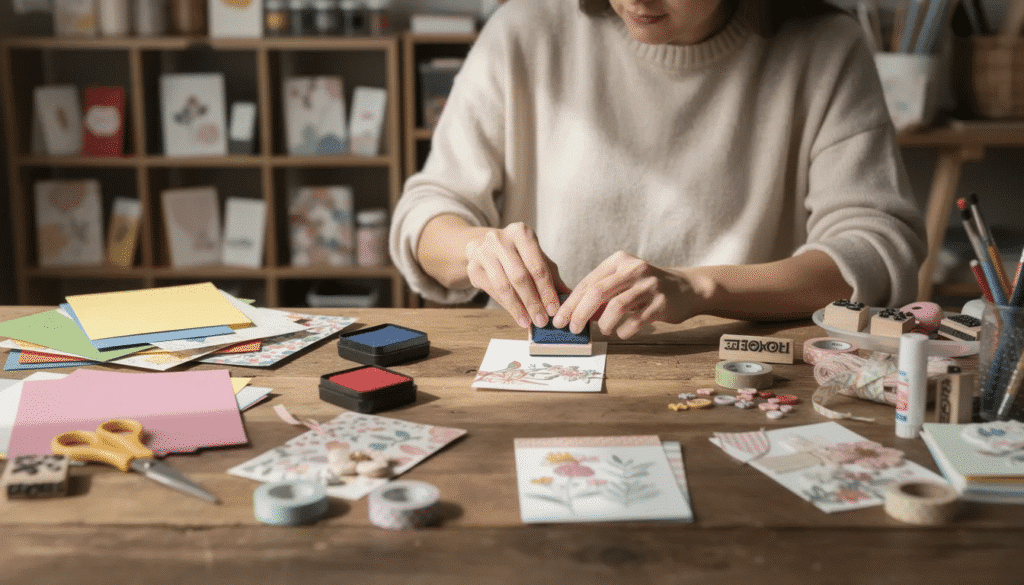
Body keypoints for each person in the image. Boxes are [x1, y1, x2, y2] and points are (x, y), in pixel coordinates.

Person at [389, 0, 927, 340]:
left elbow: (875, 249)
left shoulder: (827, 47)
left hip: (733, 375)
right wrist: (476, 249)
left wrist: (701, 288)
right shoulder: (524, 29)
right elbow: (426, 215)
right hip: (534, 375)